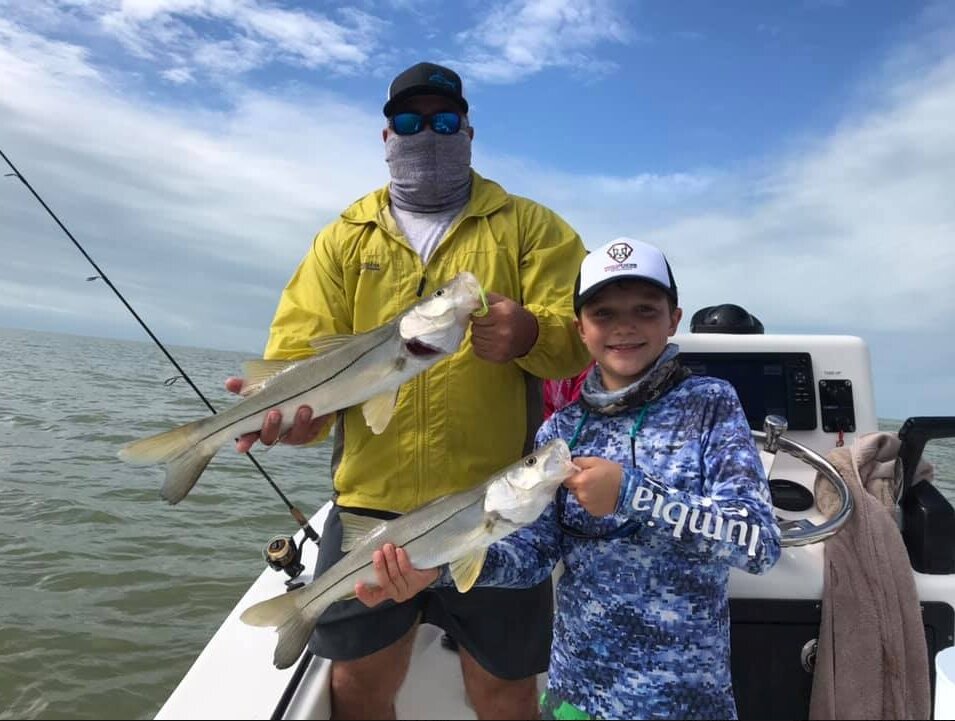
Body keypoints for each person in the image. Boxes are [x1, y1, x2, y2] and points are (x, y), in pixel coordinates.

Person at [227, 61, 591, 720]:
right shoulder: (345, 237)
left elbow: (577, 340)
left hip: (497, 505)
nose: (427, 133)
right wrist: (294, 420)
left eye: (444, 121)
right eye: (410, 120)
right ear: (385, 134)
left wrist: (531, 331)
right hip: (373, 509)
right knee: (357, 687)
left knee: (505, 690)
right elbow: (297, 355)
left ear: (469, 133)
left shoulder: (529, 227)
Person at [357, 237, 783, 720]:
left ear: (674, 319)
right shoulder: (561, 429)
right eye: (603, 314)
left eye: (645, 310)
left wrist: (632, 495)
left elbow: (758, 544)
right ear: (580, 328)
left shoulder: (710, 404)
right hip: (574, 699)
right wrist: (436, 571)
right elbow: (534, 556)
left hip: (684, 702)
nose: (624, 327)